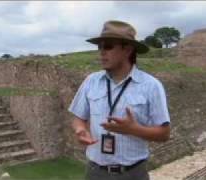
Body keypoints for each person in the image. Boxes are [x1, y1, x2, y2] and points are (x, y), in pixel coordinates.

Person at [68, 20, 171, 180]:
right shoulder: (91, 81)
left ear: (128, 50)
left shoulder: (151, 86)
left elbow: (164, 134)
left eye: (108, 46)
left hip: (133, 174)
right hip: (95, 173)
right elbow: (78, 118)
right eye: (99, 47)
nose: (102, 52)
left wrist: (133, 129)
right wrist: (80, 130)